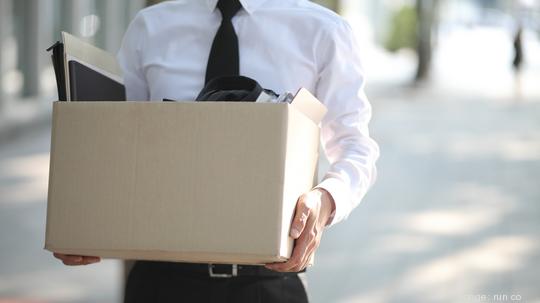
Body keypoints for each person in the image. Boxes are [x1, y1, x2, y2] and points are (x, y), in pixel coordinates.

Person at [53, 0, 380, 302]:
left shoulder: (324, 31)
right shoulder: (150, 27)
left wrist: (325, 200)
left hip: (269, 282)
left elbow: (355, 147)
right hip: (160, 280)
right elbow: (116, 144)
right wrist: (83, 217)